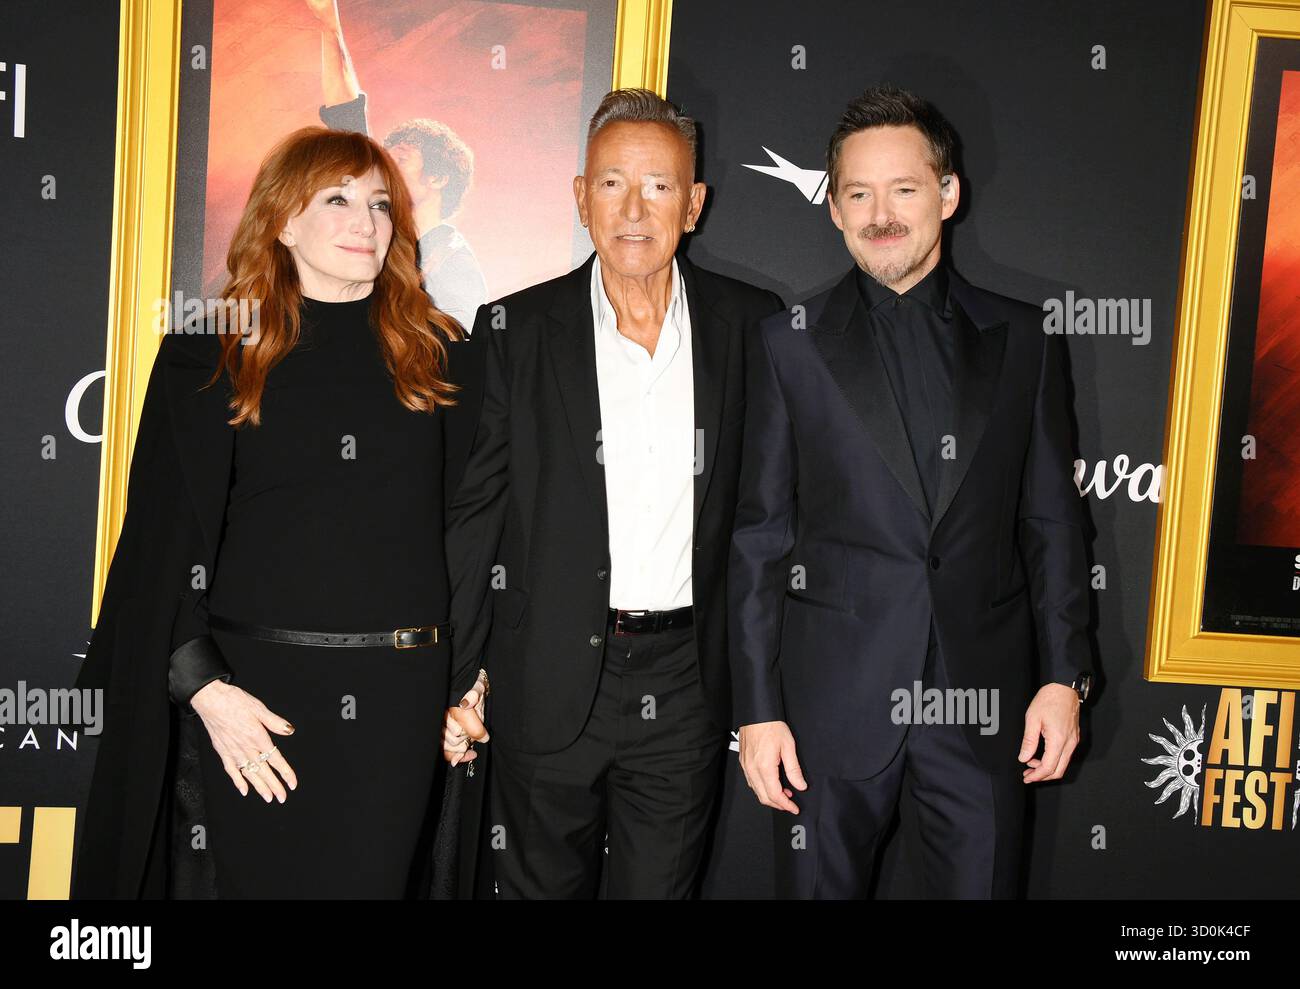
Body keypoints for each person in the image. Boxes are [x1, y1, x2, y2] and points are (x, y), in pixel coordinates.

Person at [73, 126, 484, 898]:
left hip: (399, 704)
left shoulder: (446, 361)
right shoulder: (210, 356)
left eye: (379, 203)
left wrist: (468, 685)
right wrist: (208, 693)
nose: (366, 221)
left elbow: (479, 534)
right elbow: (157, 552)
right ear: (283, 220)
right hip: (255, 700)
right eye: (337, 198)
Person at [730, 86, 1095, 899]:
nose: (880, 213)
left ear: (949, 194)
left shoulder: (1025, 339)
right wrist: (757, 710)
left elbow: (1052, 523)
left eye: (904, 188)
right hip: (829, 713)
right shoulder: (789, 345)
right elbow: (760, 538)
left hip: (983, 713)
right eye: (856, 192)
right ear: (834, 208)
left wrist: (1063, 678)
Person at [441, 88, 783, 898]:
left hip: (687, 682)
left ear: (693, 204)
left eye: (659, 185)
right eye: (610, 183)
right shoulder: (511, 330)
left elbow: (771, 517)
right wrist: (456, 676)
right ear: (579, 197)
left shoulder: (754, 326)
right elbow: (474, 520)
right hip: (543, 678)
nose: (634, 208)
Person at [307, 0, 487, 332]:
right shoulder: (379, 228)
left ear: (438, 178)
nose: (385, 170)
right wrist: (329, 25)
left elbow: (462, 362)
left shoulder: (453, 263)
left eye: (399, 160)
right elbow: (346, 115)